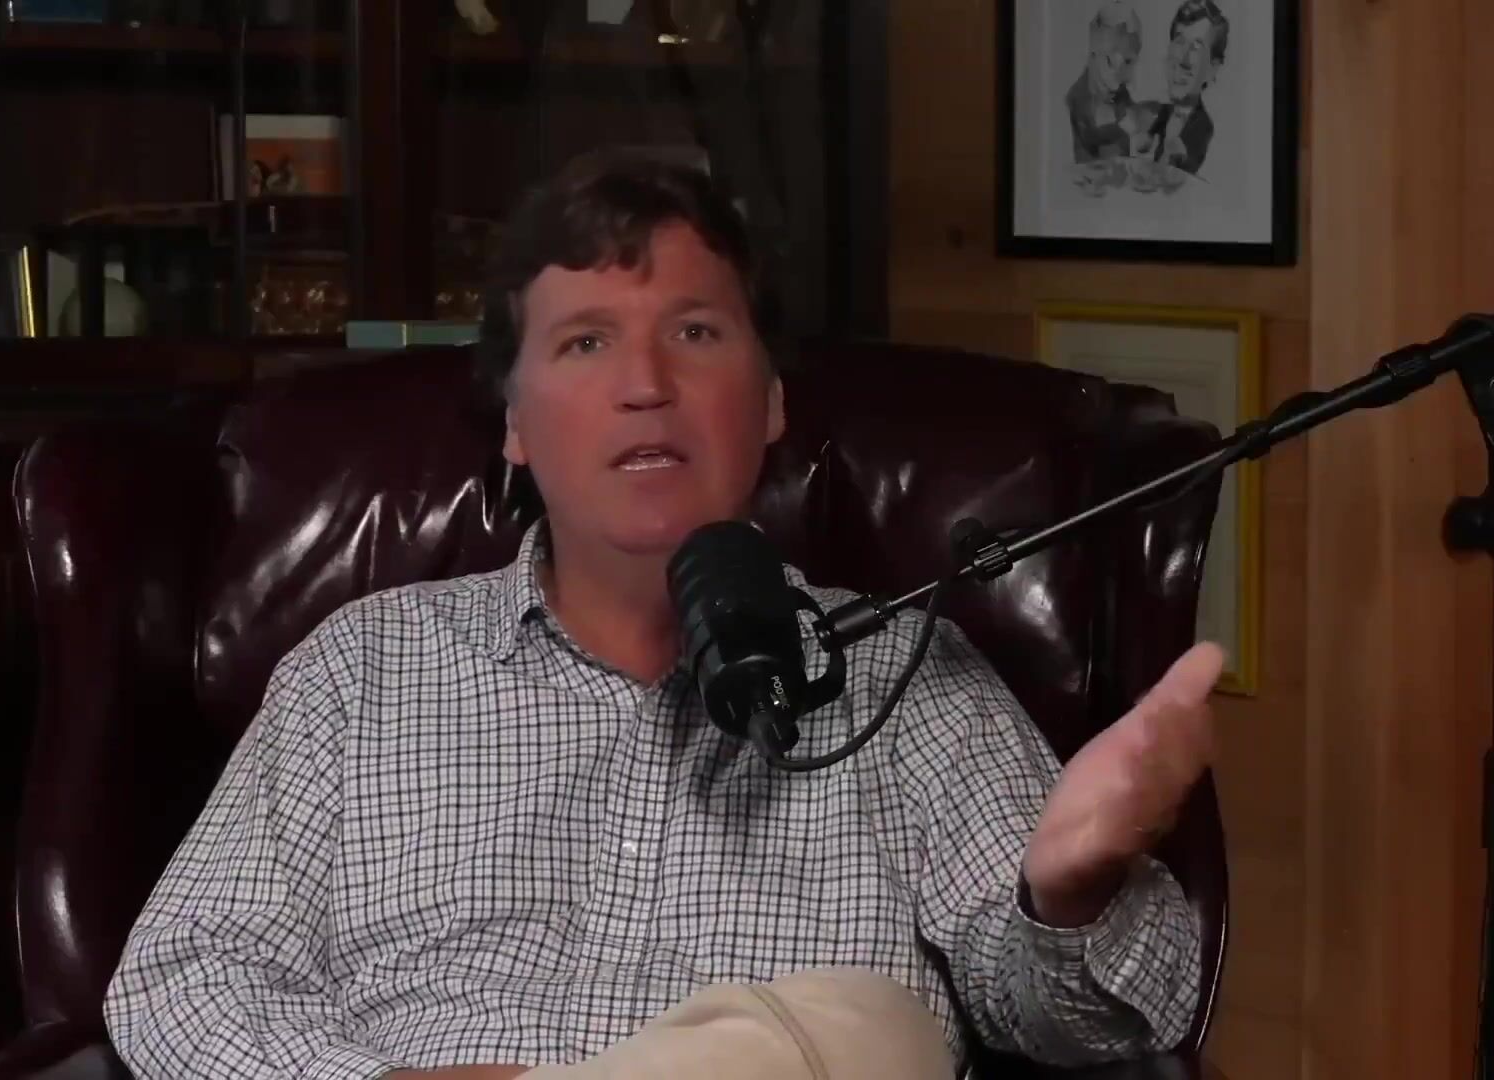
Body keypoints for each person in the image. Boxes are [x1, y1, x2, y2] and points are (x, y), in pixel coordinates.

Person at [102, 147, 1223, 1080]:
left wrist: (1070, 893)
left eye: (694, 332)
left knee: (871, 1035)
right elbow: (180, 977)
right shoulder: (364, 668)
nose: (646, 383)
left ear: (770, 400)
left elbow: (1109, 1025)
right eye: (585, 342)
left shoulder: (909, 676)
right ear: (515, 426)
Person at [1135, 0, 1228, 176]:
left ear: (1212, 69)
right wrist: (1147, 137)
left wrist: (1180, 156)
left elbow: (1191, 168)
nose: (1183, 60)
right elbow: (1152, 132)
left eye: (1197, 46)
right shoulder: (1166, 110)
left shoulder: (1203, 125)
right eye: (1179, 41)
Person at [1065, 1, 1144, 164]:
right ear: (1093, 55)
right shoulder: (1078, 97)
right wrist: (1121, 130)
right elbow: (1090, 138)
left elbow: (1132, 117)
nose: (1118, 79)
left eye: (1128, 62)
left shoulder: (1119, 92)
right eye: (1109, 62)